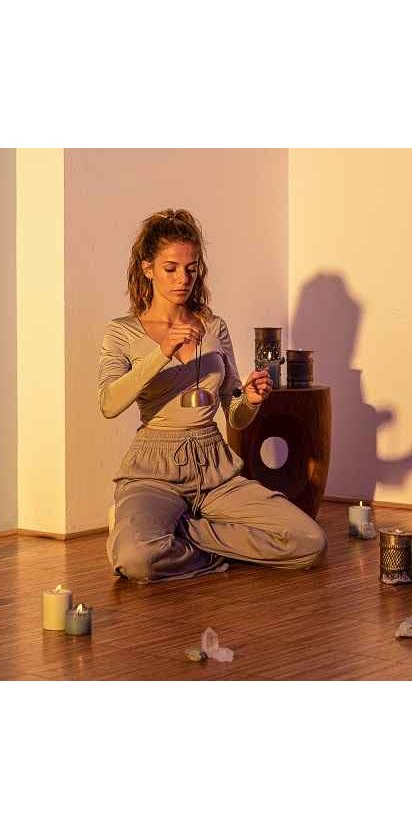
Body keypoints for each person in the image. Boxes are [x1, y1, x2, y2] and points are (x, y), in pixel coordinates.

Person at [99, 208, 327, 583]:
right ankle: (172, 538)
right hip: (153, 471)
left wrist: (250, 400)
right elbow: (109, 403)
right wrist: (162, 352)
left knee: (309, 542)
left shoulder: (214, 327)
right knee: (135, 559)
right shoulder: (122, 331)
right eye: (171, 268)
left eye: (191, 269)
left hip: (214, 469)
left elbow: (234, 413)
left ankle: (180, 534)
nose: (182, 279)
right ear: (147, 269)